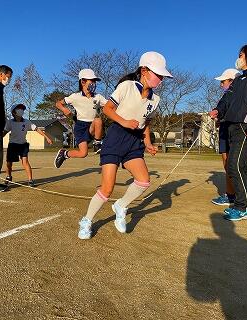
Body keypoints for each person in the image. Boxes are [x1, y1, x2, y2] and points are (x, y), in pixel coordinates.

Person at [78, 51, 173, 239]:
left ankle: (121, 205)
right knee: (107, 188)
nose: (160, 79)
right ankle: (86, 220)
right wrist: (124, 122)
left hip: (134, 141)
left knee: (144, 181)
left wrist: (147, 142)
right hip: (115, 137)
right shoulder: (127, 86)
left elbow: (146, 122)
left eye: (162, 76)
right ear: (144, 70)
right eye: (158, 74)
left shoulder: (156, 100)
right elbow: (107, 109)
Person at [210, 43, 247, 221]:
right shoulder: (239, 79)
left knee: (235, 165)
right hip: (233, 126)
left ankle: (242, 207)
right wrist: (218, 110)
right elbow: (227, 98)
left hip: (246, 127)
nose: (239, 58)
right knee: (238, 166)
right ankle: (245, 205)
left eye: (241, 55)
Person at [54, 69, 107, 168]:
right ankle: (64, 153)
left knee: (98, 120)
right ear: (83, 82)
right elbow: (58, 103)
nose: (94, 84)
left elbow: (110, 105)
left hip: (93, 126)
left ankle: (97, 144)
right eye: (92, 81)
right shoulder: (75, 96)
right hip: (80, 127)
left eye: (95, 81)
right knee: (83, 153)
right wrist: (64, 109)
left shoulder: (98, 97)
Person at [4, 104, 53, 187]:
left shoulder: (27, 122)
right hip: (13, 145)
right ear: (14, 112)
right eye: (19, 109)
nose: (21, 110)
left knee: (25, 162)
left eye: (22, 109)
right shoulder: (10, 122)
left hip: (23, 145)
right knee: (9, 164)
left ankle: (30, 180)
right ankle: (9, 176)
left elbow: (37, 129)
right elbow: (4, 132)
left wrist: (47, 137)